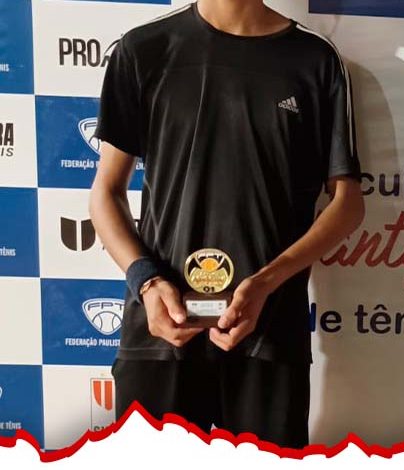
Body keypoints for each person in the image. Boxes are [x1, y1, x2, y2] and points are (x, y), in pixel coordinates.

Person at [89, 0, 364, 448]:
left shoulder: (316, 59)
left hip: (269, 332)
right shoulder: (143, 48)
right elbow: (106, 192)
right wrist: (147, 283)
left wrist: (265, 283)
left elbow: (347, 204)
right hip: (161, 332)